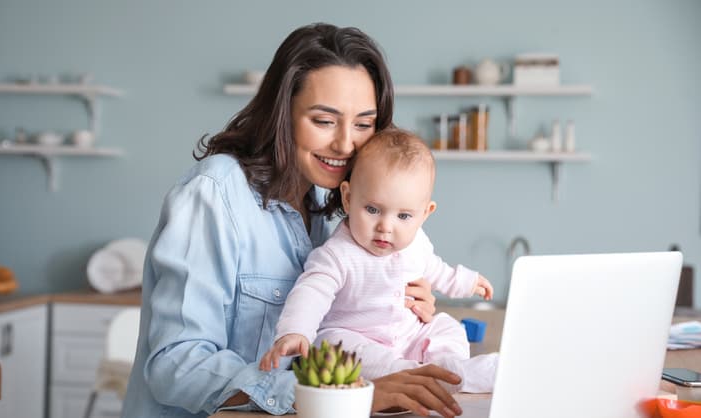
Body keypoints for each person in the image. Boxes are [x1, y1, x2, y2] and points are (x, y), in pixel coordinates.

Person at [121, 23, 467, 418]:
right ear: (282, 114)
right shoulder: (214, 194)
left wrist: (394, 304)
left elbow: (327, 332)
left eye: (363, 124)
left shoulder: (332, 202)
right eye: (324, 121)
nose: (345, 144)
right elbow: (176, 366)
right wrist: (343, 393)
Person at [260, 128, 498, 393]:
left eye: (404, 216)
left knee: (447, 327)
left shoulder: (417, 242)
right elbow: (311, 292)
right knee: (336, 350)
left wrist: (468, 281)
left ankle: (448, 366)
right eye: (373, 210)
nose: (386, 227)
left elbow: (436, 269)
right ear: (348, 198)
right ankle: (427, 376)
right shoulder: (338, 254)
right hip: (357, 338)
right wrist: (295, 331)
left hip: (409, 335)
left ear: (425, 214)